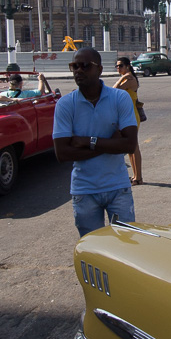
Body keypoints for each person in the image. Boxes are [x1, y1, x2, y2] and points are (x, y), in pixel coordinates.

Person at [52, 48, 139, 237]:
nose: (78, 70)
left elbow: (129, 145)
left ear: (99, 70)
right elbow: (62, 153)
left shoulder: (119, 98)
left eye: (85, 66)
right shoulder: (65, 105)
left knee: (126, 245)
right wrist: (108, 143)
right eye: (74, 66)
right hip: (84, 191)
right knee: (93, 251)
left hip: (118, 188)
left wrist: (86, 142)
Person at [112, 57, 144, 185]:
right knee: (130, 147)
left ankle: (139, 177)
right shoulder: (127, 77)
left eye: (120, 66)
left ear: (127, 66)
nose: (118, 68)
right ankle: (135, 175)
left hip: (131, 115)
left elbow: (114, 90)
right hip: (126, 115)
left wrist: (121, 78)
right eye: (117, 66)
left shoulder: (129, 79)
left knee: (134, 146)